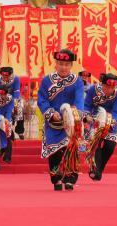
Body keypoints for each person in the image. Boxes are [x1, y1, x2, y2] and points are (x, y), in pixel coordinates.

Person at [38, 49, 85, 191]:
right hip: (53, 122)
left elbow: (79, 100)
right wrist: (51, 113)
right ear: (56, 64)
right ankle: (57, 179)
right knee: (54, 151)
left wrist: (74, 114)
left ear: (71, 65)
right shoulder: (47, 80)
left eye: (67, 64)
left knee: (71, 149)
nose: (63, 67)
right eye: (60, 64)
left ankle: (70, 179)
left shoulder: (77, 81)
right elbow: (42, 100)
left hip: (71, 121)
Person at [84, 73, 117, 180]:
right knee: (96, 144)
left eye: (112, 88)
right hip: (95, 119)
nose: (110, 90)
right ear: (102, 84)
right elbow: (87, 105)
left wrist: (110, 121)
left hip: (111, 121)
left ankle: (99, 169)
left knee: (110, 147)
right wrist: (87, 116)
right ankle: (95, 170)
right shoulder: (93, 90)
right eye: (107, 87)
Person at [0, 66, 19, 161]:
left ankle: (8, 155)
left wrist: (15, 105)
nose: (5, 78)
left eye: (7, 76)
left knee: (7, 129)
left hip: (11, 103)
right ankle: (1, 149)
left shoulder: (16, 79)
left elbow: (16, 92)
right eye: (3, 76)